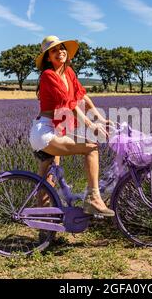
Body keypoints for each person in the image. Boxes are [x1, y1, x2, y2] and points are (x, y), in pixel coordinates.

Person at [29, 35, 115, 217]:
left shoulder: (68, 72)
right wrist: (91, 125)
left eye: (61, 48)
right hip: (45, 132)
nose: (59, 52)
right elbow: (70, 103)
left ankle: (45, 227)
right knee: (91, 148)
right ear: (48, 58)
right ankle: (93, 199)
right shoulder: (48, 75)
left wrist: (100, 118)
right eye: (53, 50)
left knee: (48, 180)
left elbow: (81, 96)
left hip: (55, 130)